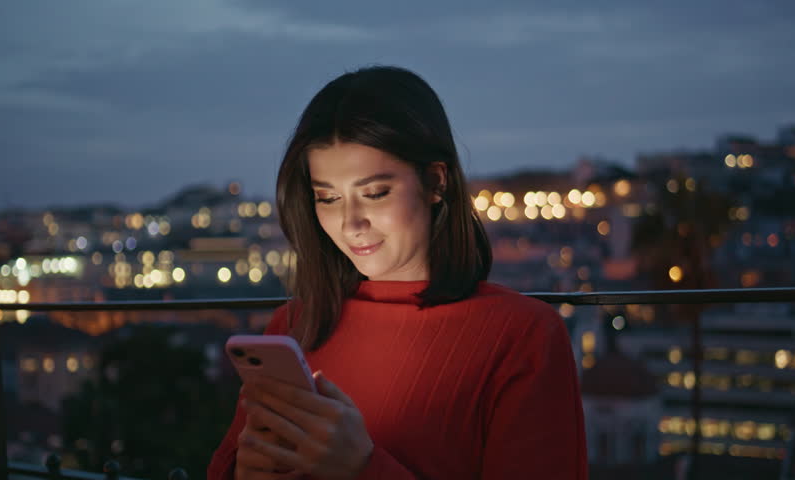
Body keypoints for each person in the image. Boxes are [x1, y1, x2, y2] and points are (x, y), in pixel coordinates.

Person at [207, 65, 587, 479]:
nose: (351, 223)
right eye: (328, 198)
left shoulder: (524, 337)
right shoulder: (295, 326)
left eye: (374, 193)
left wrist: (362, 469)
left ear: (436, 183)